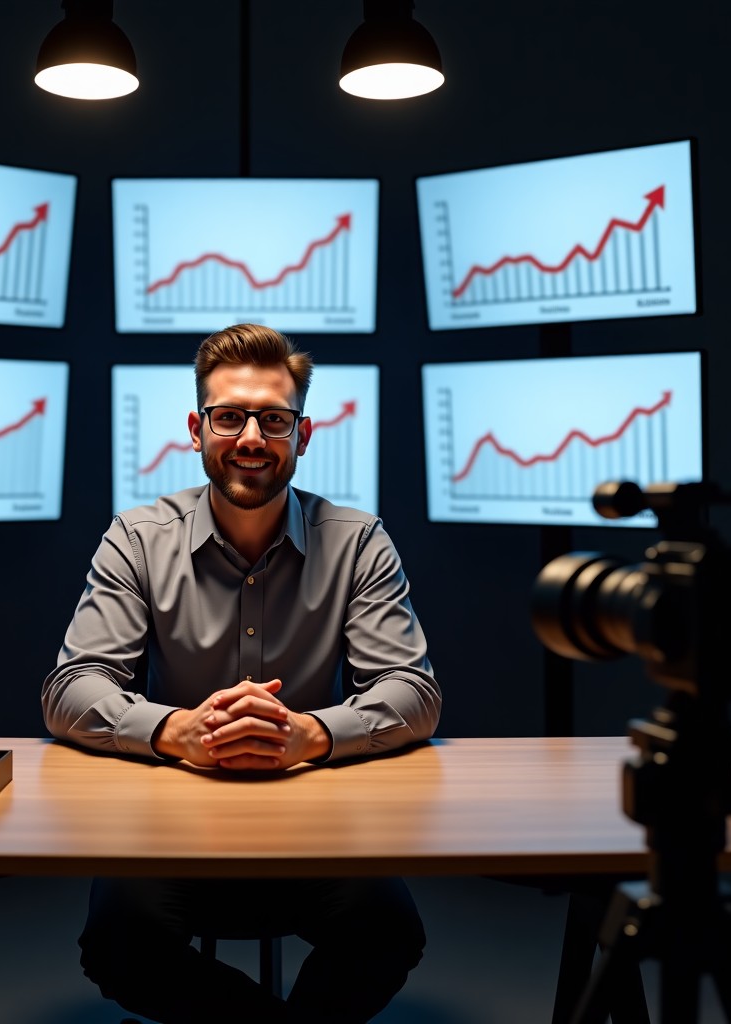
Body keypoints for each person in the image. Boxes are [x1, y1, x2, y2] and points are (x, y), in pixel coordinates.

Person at [42, 323, 441, 1024]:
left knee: (389, 931)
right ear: (196, 429)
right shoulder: (136, 538)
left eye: (273, 420)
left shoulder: (358, 540)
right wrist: (178, 731)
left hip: (317, 825)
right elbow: (73, 688)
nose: (251, 437)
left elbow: (412, 692)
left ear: (303, 435)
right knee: (118, 943)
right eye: (229, 417)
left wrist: (308, 735)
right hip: (170, 825)